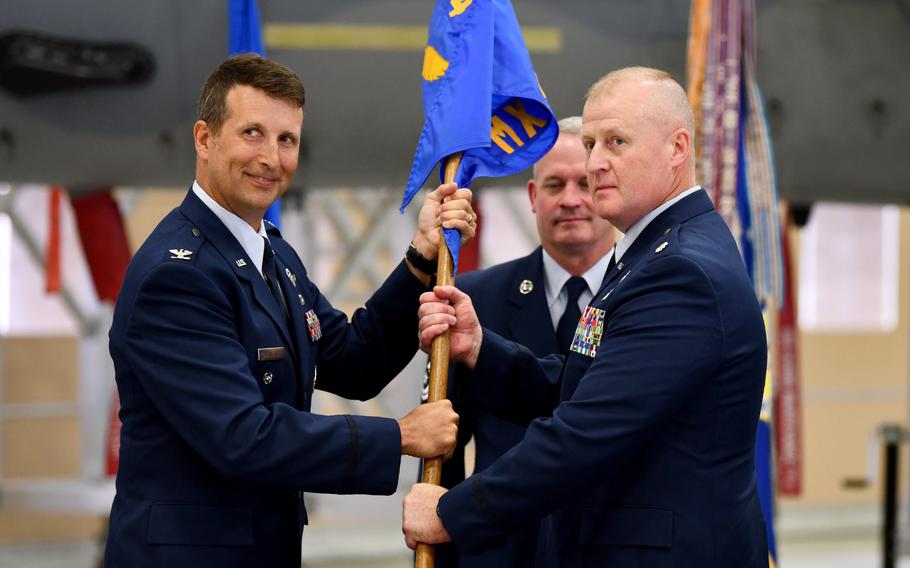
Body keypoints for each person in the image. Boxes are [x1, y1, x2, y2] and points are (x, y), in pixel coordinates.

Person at [104, 54, 474, 567]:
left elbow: (353, 360)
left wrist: (420, 256)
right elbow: (243, 436)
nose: (271, 158)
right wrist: (401, 437)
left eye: (287, 140)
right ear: (205, 139)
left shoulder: (271, 253)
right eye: (252, 133)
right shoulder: (177, 276)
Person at [404, 67, 770, 566]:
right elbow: (587, 384)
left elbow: (587, 430)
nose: (596, 161)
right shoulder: (652, 254)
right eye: (593, 142)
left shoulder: (680, 272)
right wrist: (481, 350)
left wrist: (454, 511)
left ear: (677, 148)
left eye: (616, 142)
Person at [434, 116, 616, 567]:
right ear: (534, 198)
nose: (571, 200)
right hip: (503, 549)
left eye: (584, 183)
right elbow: (446, 446)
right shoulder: (475, 299)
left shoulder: (646, 296)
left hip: (610, 546)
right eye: (555, 185)